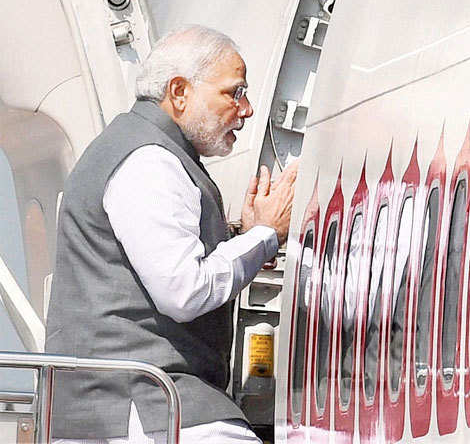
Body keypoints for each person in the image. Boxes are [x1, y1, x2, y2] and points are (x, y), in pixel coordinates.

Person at [45, 25, 297, 444]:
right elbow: (184, 290)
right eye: (234, 93)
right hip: (146, 409)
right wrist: (267, 234)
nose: (248, 109)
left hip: (123, 409)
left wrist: (245, 236)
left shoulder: (133, 150)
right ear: (179, 92)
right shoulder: (150, 161)